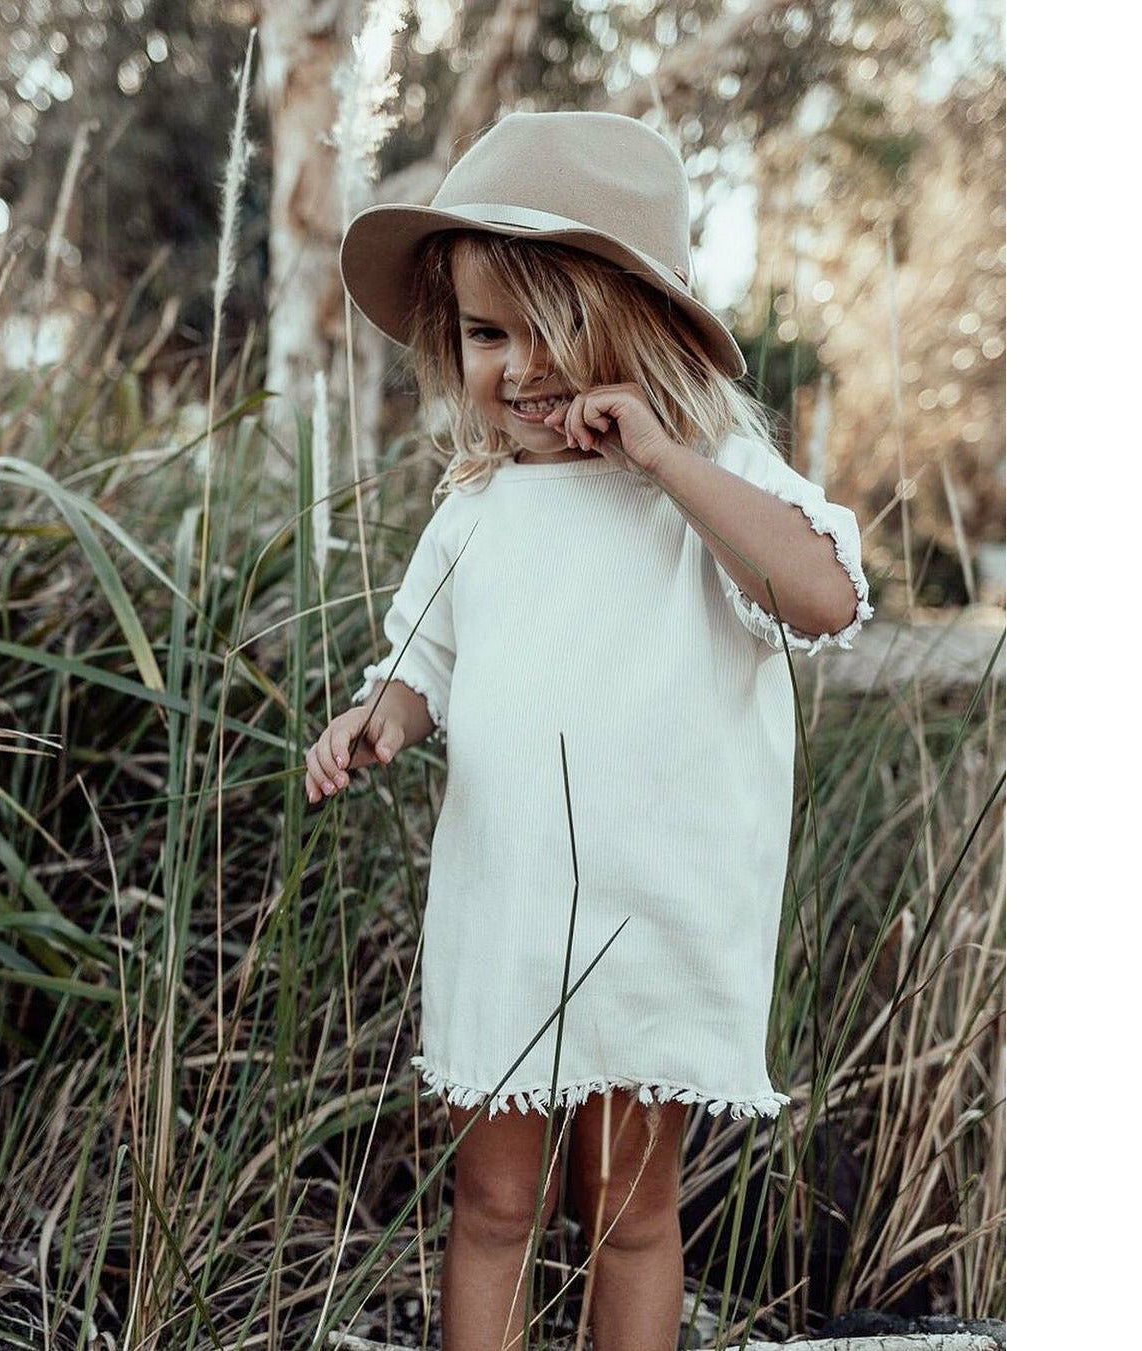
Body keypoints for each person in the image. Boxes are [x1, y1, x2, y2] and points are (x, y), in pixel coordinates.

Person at [304, 111, 873, 1351]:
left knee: (628, 1211)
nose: (514, 368)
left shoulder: (714, 473)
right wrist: (375, 719)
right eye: (483, 334)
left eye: (547, 329)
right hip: (511, 903)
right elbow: (422, 668)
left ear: (635, 325)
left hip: (655, 908)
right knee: (494, 1204)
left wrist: (665, 457)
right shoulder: (476, 510)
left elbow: (823, 600)